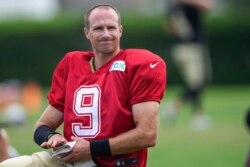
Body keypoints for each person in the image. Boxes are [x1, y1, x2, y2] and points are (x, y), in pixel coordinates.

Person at [0, 4, 167, 167]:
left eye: (111, 27)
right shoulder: (72, 64)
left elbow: (147, 135)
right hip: (70, 160)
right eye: (98, 28)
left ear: (120, 30)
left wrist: (91, 149)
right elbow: (41, 126)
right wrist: (51, 136)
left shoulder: (141, 64)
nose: (106, 34)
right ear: (87, 33)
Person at [164, 0, 213, 130]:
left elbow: (169, 29)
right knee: (198, 83)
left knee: (194, 83)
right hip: (193, 48)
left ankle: (198, 116)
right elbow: (208, 6)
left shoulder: (172, 6)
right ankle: (174, 106)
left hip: (178, 48)